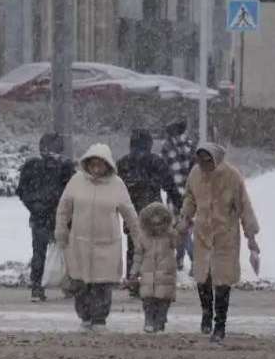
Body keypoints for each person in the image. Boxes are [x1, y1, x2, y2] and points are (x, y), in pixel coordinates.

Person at [176, 142, 261, 343]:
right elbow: (190, 198)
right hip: (203, 235)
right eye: (200, 160)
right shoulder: (195, 175)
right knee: (202, 278)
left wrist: (251, 237)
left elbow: (244, 206)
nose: (204, 164)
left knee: (222, 282)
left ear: (216, 159)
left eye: (208, 160)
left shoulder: (232, 177)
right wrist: (185, 217)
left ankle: (219, 324)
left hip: (225, 236)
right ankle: (206, 312)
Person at [54, 143, 144, 332]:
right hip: (80, 242)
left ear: (107, 165)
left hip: (107, 245)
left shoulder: (117, 185)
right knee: (82, 284)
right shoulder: (76, 181)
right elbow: (64, 208)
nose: (96, 169)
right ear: (87, 164)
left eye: (100, 165)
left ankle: (99, 319)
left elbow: (130, 214)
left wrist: (139, 239)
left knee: (102, 285)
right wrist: (61, 230)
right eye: (92, 164)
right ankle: (85, 317)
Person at [116, 129, 181, 295]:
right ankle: (151, 280)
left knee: (133, 247)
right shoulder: (155, 161)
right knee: (154, 248)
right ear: (149, 144)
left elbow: (115, 187)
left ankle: (134, 281)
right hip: (153, 212)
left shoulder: (123, 163)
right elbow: (170, 184)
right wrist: (178, 203)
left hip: (132, 210)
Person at [15, 132, 75, 302]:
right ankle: (68, 284)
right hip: (59, 215)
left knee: (39, 252)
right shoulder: (66, 167)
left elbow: (22, 191)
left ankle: (36, 286)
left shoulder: (31, 166)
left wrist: (34, 207)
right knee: (66, 251)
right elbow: (72, 192)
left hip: (39, 216)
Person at [127, 202, 179, 334]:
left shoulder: (169, 236)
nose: (157, 227)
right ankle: (149, 321)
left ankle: (160, 321)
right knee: (148, 301)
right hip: (148, 275)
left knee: (163, 301)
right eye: (154, 224)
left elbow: (178, 241)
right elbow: (138, 256)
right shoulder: (143, 238)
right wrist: (134, 271)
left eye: (160, 223)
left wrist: (180, 228)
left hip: (166, 274)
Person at [160, 120, 197, 270]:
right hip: (189, 192)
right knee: (185, 227)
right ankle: (180, 259)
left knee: (177, 227)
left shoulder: (167, 147)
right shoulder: (190, 145)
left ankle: (192, 259)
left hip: (173, 192)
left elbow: (164, 170)